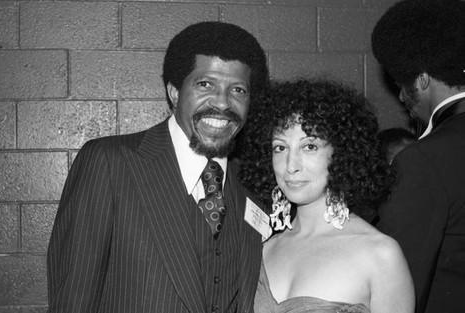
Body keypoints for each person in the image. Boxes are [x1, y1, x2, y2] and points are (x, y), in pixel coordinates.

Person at [47, 21, 269, 313]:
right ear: (175, 92)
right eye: (205, 84)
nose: (222, 103)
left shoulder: (254, 182)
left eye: (238, 90)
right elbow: (73, 299)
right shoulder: (110, 163)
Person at [238, 79, 415, 313]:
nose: (291, 166)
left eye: (309, 146)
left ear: (341, 153)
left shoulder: (380, 254)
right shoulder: (262, 248)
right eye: (280, 147)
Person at [371, 1, 465, 312]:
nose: (400, 96)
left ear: (422, 80)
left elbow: (399, 288)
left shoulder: (422, 160)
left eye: (401, 84)